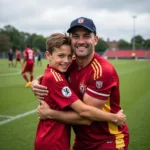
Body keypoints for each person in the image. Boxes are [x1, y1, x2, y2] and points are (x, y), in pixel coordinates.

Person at [32, 17, 129, 150]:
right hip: (82, 141)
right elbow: (53, 76)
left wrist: (50, 113)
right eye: (76, 36)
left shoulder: (102, 71)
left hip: (107, 140)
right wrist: (36, 82)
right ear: (71, 40)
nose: (81, 41)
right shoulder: (69, 63)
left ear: (95, 40)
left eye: (86, 36)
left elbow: (86, 117)